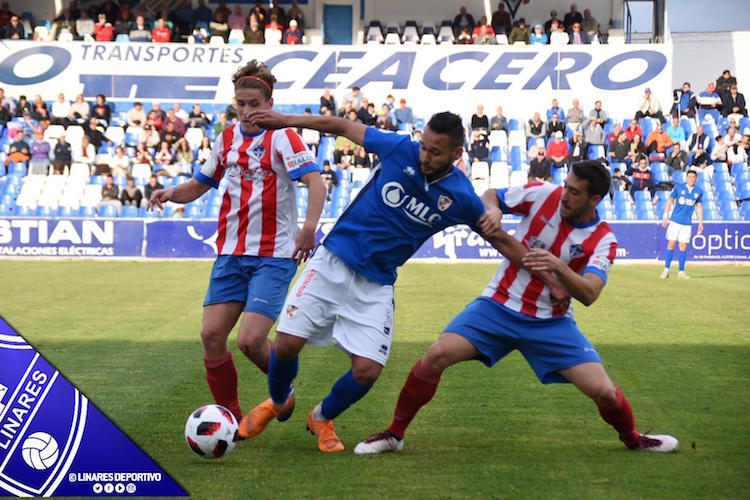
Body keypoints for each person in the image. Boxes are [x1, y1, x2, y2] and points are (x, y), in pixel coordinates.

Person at [353, 160, 678, 455]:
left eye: (575, 192)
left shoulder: (603, 240)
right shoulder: (543, 194)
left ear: (595, 200)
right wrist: (493, 209)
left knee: (604, 391)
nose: (564, 195)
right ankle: (394, 434)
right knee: (436, 355)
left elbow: (591, 293)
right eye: (565, 186)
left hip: (551, 323)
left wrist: (559, 268)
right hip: (498, 305)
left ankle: (634, 439)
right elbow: (492, 194)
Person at [237, 109, 509, 453]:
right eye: (424, 146)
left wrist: (543, 266)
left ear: (456, 154)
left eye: (435, 152)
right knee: (288, 344)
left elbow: (496, 237)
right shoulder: (399, 148)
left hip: (376, 283)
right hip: (332, 260)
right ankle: (278, 401)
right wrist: (286, 120)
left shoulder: (461, 197)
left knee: (367, 371)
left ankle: (321, 417)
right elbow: (339, 125)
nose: (424, 156)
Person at [147, 59, 325, 424]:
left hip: (274, 255)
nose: (246, 111)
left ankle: (282, 392)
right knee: (211, 335)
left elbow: (317, 182)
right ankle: (230, 416)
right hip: (230, 253)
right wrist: (170, 193)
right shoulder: (225, 138)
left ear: (269, 103)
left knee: (250, 341)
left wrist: (309, 227)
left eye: (254, 104)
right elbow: (200, 184)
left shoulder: (284, 135)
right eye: (240, 104)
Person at [661, 169, 703, 279]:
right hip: (675, 221)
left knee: (683, 246)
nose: (691, 179)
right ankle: (666, 269)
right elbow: (670, 200)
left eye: (693, 177)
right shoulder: (679, 188)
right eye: (689, 177)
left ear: (696, 178)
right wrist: (665, 216)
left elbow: (698, 206)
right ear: (686, 178)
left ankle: (681, 271)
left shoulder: (698, 191)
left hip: (687, 223)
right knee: (671, 243)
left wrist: (700, 222)